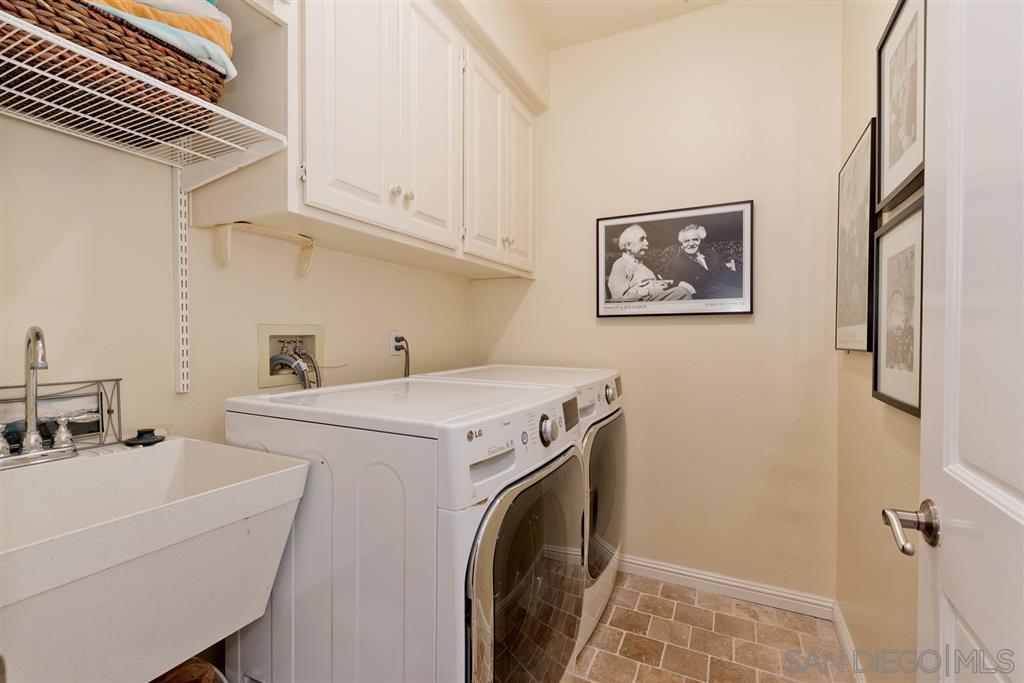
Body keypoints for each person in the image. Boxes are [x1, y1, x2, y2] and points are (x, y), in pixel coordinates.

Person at [607, 225, 694, 301]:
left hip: (656, 298)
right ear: (628, 245)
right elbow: (619, 297)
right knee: (682, 293)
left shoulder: (645, 263)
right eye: (642, 239)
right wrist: (650, 290)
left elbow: (659, 282)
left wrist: (677, 283)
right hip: (642, 305)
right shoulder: (620, 264)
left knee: (684, 289)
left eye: (646, 239)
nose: (647, 243)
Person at [667, 224, 740, 299]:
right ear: (682, 245)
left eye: (695, 239)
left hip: (726, 289)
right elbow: (675, 282)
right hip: (705, 296)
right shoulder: (677, 263)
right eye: (686, 241)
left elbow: (727, 273)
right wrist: (680, 284)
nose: (691, 244)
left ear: (701, 241)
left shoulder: (712, 255)